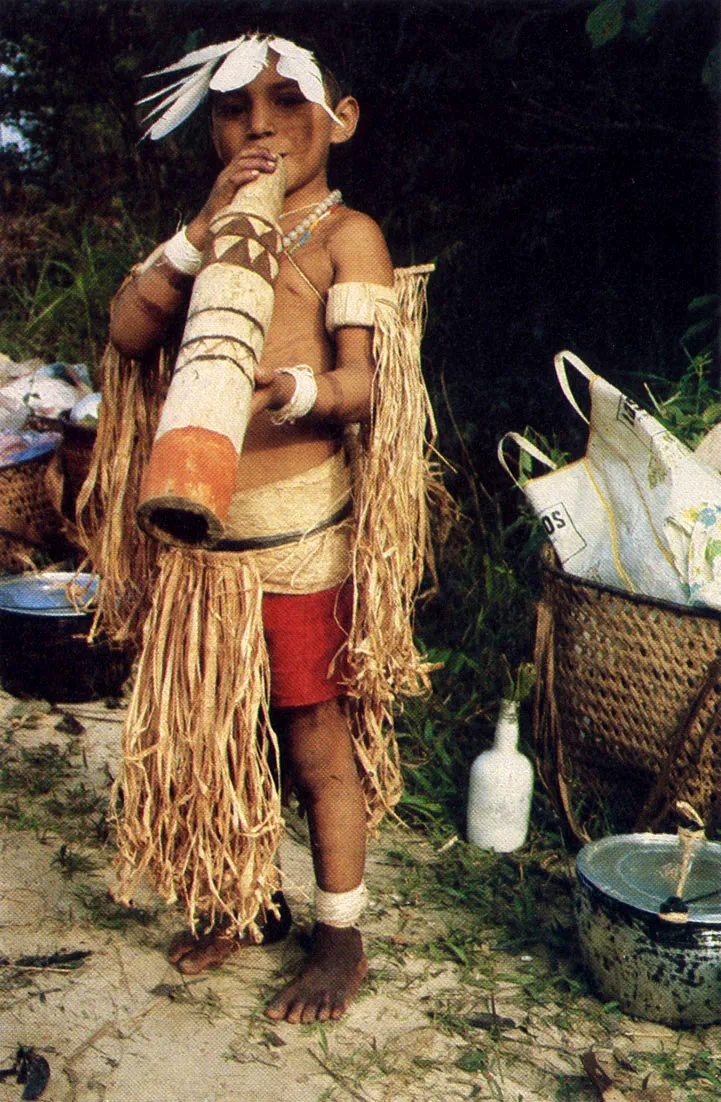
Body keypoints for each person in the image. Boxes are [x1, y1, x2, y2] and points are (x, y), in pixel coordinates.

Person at [79, 32, 442, 1026]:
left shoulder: (343, 234)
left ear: (342, 118)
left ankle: (340, 936)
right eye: (236, 108)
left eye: (287, 102)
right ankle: (247, 903)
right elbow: (126, 331)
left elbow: (364, 387)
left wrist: (290, 389)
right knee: (223, 732)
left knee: (314, 733)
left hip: (294, 538)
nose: (262, 126)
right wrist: (200, 236)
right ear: (212, 128)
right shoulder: (205, 234)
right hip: (205, 541)